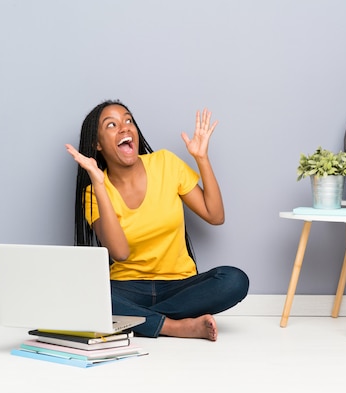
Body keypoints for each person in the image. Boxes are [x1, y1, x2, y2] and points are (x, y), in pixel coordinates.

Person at [65, 100, 249, 341]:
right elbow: (120, 253)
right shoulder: (94, 193)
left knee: (234, 280)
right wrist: (99, 184)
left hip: (180, 286)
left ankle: (136, 320)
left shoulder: (165, 163)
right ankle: (173, 326)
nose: (124, 127)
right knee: (79, 290)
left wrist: (202, 158)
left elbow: (215, 216)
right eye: (112, 125)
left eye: (128, 120)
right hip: (127, 287)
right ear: (97, 144)